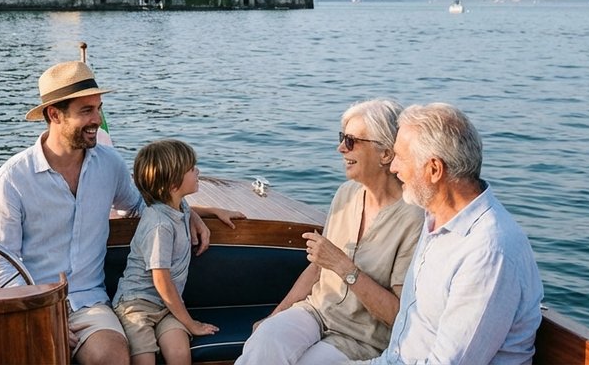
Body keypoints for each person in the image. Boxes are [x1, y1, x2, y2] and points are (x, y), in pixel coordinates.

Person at [0, 60, 244, 365]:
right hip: (34, 303)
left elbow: (142, 206)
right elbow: (0, 271)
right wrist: (40, 316)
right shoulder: (13, 179)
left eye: (99, 108)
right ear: (54, 114)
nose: (98, 119)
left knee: (113, 356)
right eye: (86, 111)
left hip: (90, 304)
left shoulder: (109, 164)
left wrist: (191, 213)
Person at [237, 99, 423, 364]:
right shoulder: (346, 194)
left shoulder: (413, 218)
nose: (340, 148)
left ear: (386, 154)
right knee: (265, 340)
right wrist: (273, 317)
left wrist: (343, 266)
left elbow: (398, 314)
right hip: (315, 312)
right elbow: (316, 270)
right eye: (342, 138)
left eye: (352, 141)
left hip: (361, 338)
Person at [357, 103, 544, 365]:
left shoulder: (488, 251)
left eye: (400, 157)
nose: (393, 167)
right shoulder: (435, 216)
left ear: (434, 169)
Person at [113, 139, 218, 365]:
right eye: (191, 169)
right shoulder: (160, 225)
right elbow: (161, 280)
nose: (197, 171)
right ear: (173, 185)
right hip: (136, 305)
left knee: (180, 354)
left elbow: (190, 210)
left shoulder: (178, 205)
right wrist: (190, 323)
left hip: (167, 306)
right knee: (144, 359)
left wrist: (216, 211)